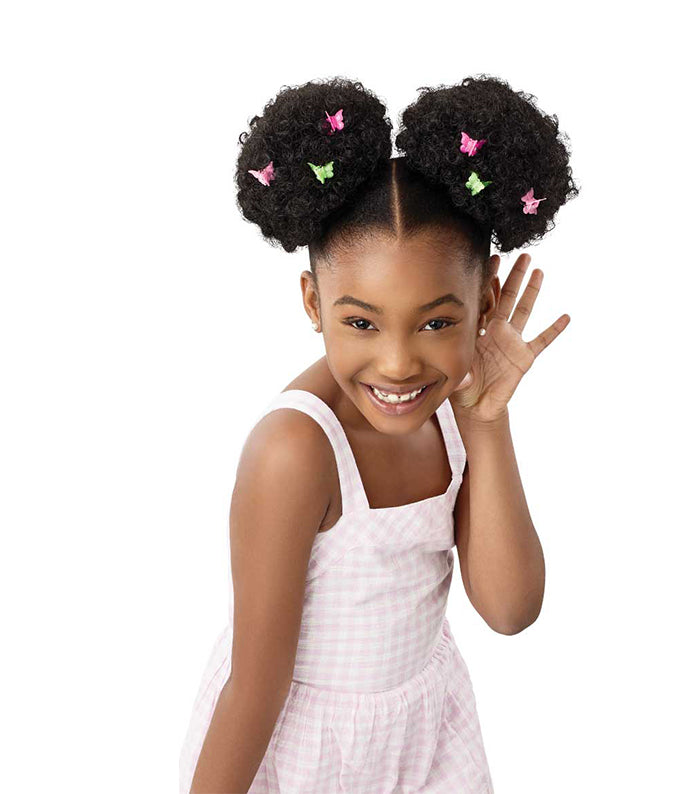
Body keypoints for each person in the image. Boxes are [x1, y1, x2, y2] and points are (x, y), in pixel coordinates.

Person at [178, 74, 579, 793]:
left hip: (426, 734)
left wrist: (487, 423)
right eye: (360, 322)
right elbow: (253, 686)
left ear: (486, 300)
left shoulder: (455, 409)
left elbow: (512, 610)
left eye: (437, 322)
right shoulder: (296, 451)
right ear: (314, 300)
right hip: (309, 753)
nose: (398, 363)